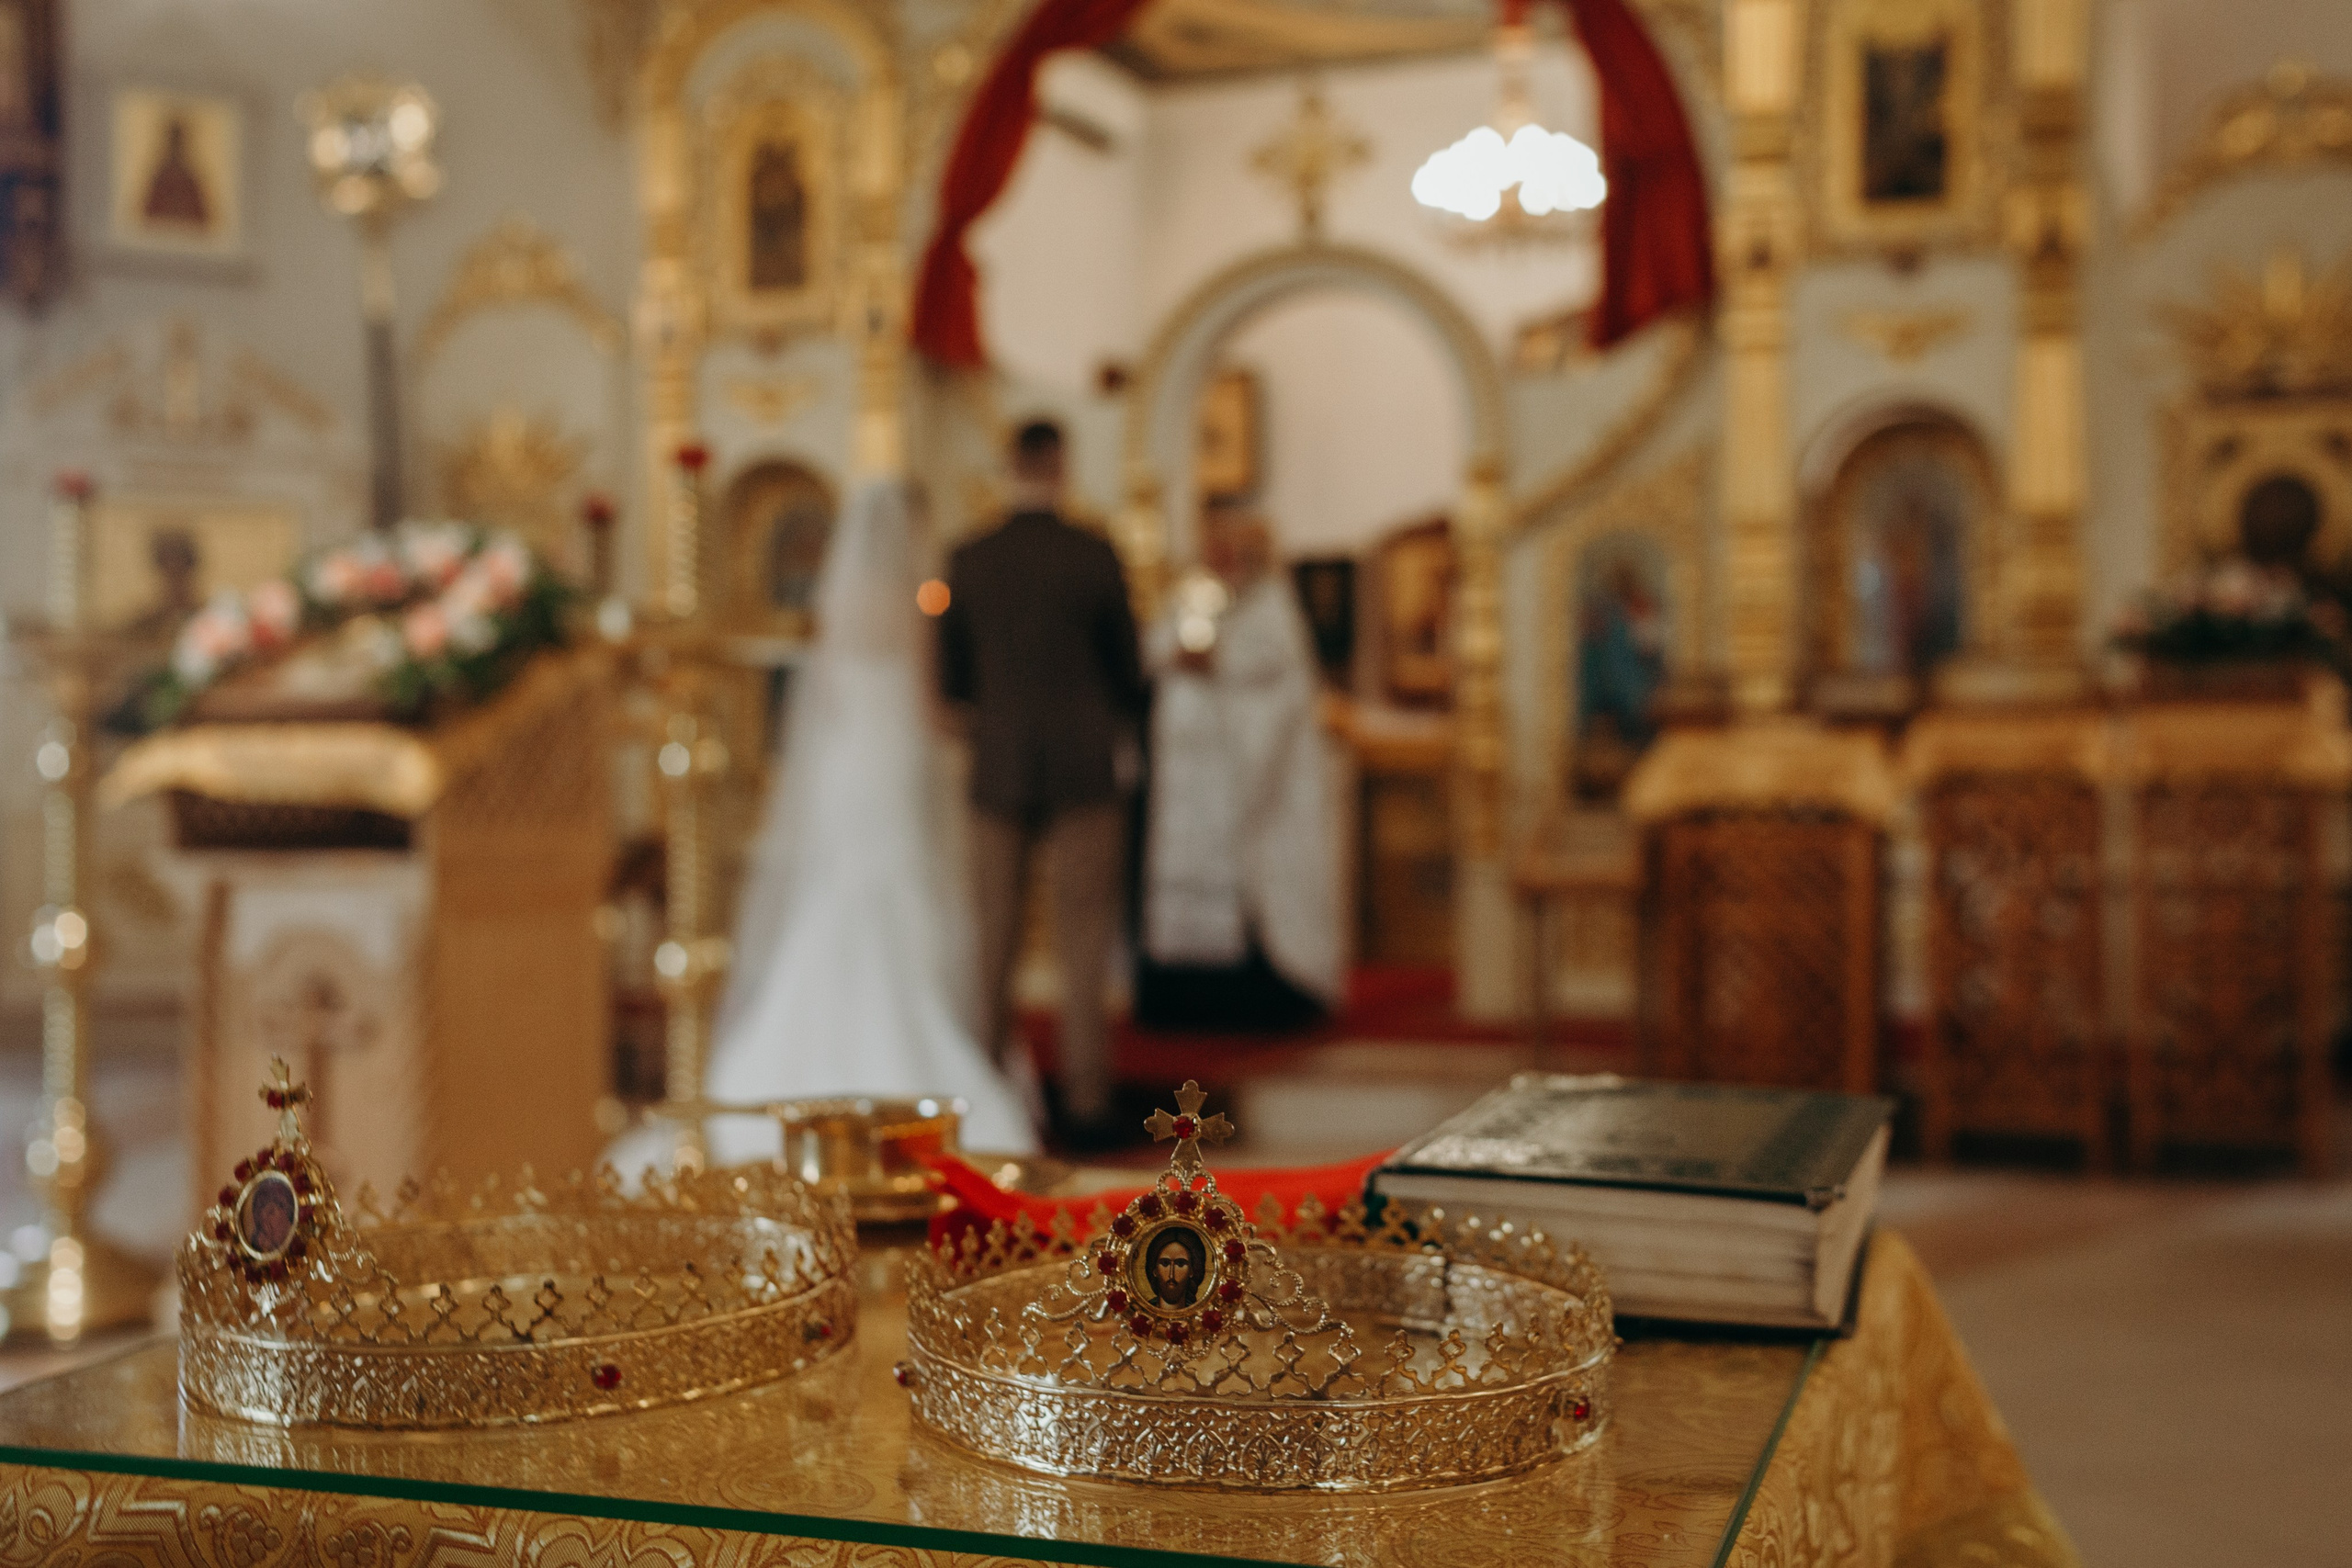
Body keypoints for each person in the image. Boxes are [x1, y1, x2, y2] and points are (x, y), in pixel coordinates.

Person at [665, 479, 1037, 1166]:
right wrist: (975, 729)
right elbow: (929, 708)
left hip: (843, 765)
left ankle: (781, 1069)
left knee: (836, 894)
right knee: (895, 893)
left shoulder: (839, 599)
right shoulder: (917, 600)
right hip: (892, 759)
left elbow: (825, 699)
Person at [937, 419, 1146, 1148]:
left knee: (993, 931)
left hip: (996, 762)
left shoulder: (969, 556)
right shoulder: (1092, 553)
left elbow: (951, 675)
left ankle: (985, 1094)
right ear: (1059, 465)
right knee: (1082, 935)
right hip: (1084, 762)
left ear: (1008, 465)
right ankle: (1086, 1099)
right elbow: (1128, 664)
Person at [1138, 504, 1342, 1030]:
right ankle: (1185, 992)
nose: (1224, 557)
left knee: (1259, 888)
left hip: (1252, 788)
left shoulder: (1274, 608)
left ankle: (1274, 988)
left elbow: (1276, 683)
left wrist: (1213, 663)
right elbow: (1158, 648)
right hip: (1191, 791)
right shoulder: (1192, 598)